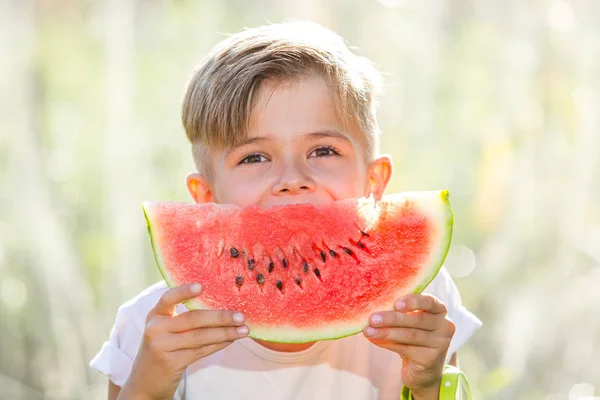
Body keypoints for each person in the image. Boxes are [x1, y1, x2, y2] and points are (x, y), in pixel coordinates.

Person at [90, 20, 481, 400]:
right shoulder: (154, 327)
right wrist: (146, 389)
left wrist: (428, 385)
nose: (292, 178)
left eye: (323, 150)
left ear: (374, 181)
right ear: (205, 197)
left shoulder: (417, 302)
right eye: (255, 157)